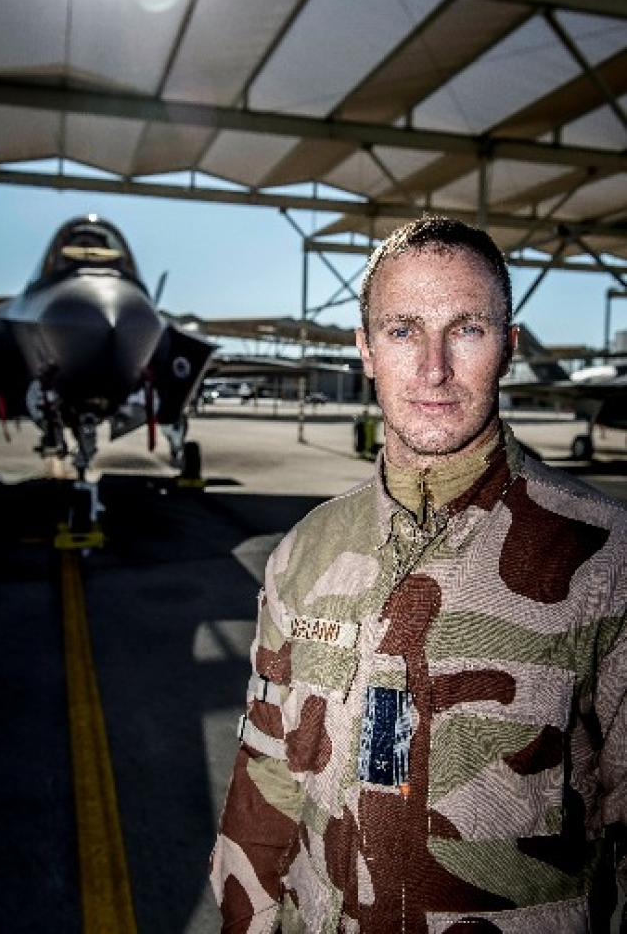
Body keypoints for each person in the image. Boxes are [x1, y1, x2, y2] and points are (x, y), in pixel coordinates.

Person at [210, 215, 627, 933]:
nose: (433, 368)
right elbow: (267, 780)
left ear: (508, 348)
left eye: (466, 328)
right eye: (402, 330)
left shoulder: (607, 562)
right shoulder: (304, 555)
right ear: (365, 350)